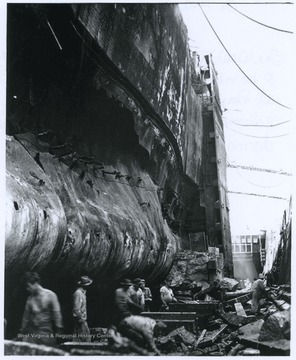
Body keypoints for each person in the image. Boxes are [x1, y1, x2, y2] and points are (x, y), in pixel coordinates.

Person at [18, 272, 63, 347]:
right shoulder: (29, 299)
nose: (27, 289)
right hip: (32, 334)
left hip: (46, 333)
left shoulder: (51, 295)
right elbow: (25, 318)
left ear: (35, 283)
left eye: (28, 286)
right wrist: (21, 332)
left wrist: (59, 330)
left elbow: (57, 314)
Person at [73, 275, 93, 342]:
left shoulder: (83, 293)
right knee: (85, 340)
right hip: (80, 321)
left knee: (79, 339)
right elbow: (76, 308)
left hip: (82, 320)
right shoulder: (78, 293)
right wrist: (80, 319)